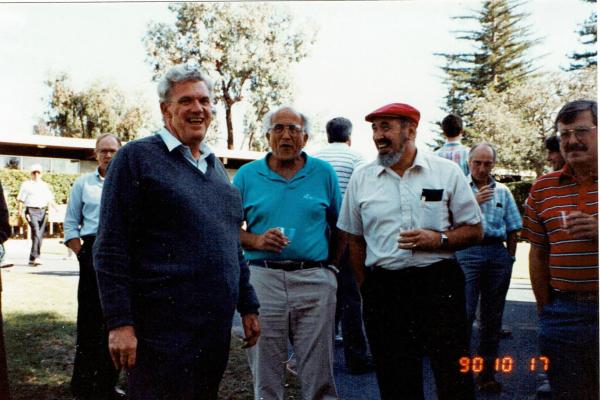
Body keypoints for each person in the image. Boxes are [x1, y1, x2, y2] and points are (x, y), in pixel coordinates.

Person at [92, 64, 260, 400]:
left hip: (212, 332)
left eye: (205, 100)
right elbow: (110, 247)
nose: (197, 109)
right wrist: (120, 323)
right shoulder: (136, 158)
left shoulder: (216, 170)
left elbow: (230, 245)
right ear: (165, 109)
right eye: (186, 101)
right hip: (161, 332)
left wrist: (248, 305)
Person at [338, 102, 483, 400]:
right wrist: (370, 288)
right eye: (375, 128)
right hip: (386, 288)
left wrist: (439, 240)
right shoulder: (362, 177)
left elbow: (474, 230)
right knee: (395, 379)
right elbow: (354, 239)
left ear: (411, 130)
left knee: (452, 375)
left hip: (439, 284)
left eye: (386, 127)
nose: (378, 135)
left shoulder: (446, 172)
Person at [233, 106, 341, 400]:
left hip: (314, 280)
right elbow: (227, 228)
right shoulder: (246, 176)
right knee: (266, 378)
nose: (286, 136)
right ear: (267, 136)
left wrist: (329, 269)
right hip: (263, 281)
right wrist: (255, 241)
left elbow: (340, 227)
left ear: (305, 137)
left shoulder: (323, 173)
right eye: (278, 129)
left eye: (293, 129)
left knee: (319, 375)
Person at [522, 100, 598, 400]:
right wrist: (546, 310)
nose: (572, 141)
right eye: (564, 133)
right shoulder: (543, 188)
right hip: (563, 313)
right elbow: (537, 254)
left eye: (581, 130)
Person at [455, 143, 522, 393]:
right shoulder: (458, 187)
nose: (482, 168)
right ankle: (460, 375)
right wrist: (472, 201)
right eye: (477, 163)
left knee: (492, 320)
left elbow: (514, 226)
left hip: (496, 253)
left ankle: (486, 375)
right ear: (468, 162)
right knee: (464, 315)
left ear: (493, 164)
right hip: (467, 252)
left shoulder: (502, 191)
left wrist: (510, 258)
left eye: (487, 163)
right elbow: (447, 221)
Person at [64, 133, 123, 400]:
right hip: (92, 251)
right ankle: (83, 385)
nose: (108, 155)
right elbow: (70, 224)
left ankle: (108, 385)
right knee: (89, 321)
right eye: (103, 151)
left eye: (113, 151)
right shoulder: (83, 184)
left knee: (116, 319)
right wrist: (82, 255)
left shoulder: (129, 183)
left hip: (122, 255)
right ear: (95, 154)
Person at [312, 116, 373, 374]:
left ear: (327, 135)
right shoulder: (357, 159)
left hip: (318, 233)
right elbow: (363, 196)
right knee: (351, 295)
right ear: (349, 137)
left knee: (324, 293)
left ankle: (318, 355)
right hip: (346, 231)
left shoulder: (313, 159)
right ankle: (356, 357)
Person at [17, 163, 55, 266]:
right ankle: (37, 257)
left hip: (42, 211)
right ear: (31, 174)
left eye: (38, 172)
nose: (36, 175)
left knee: (38, 235)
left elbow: (50, 199)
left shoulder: (44, 185)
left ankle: (32, 257)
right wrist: (19, 213)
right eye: (34, 173)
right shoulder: (26, 185)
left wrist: (54, 209)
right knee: (36, 233)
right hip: (31, 211)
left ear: (41, 174)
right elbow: (20, 200)